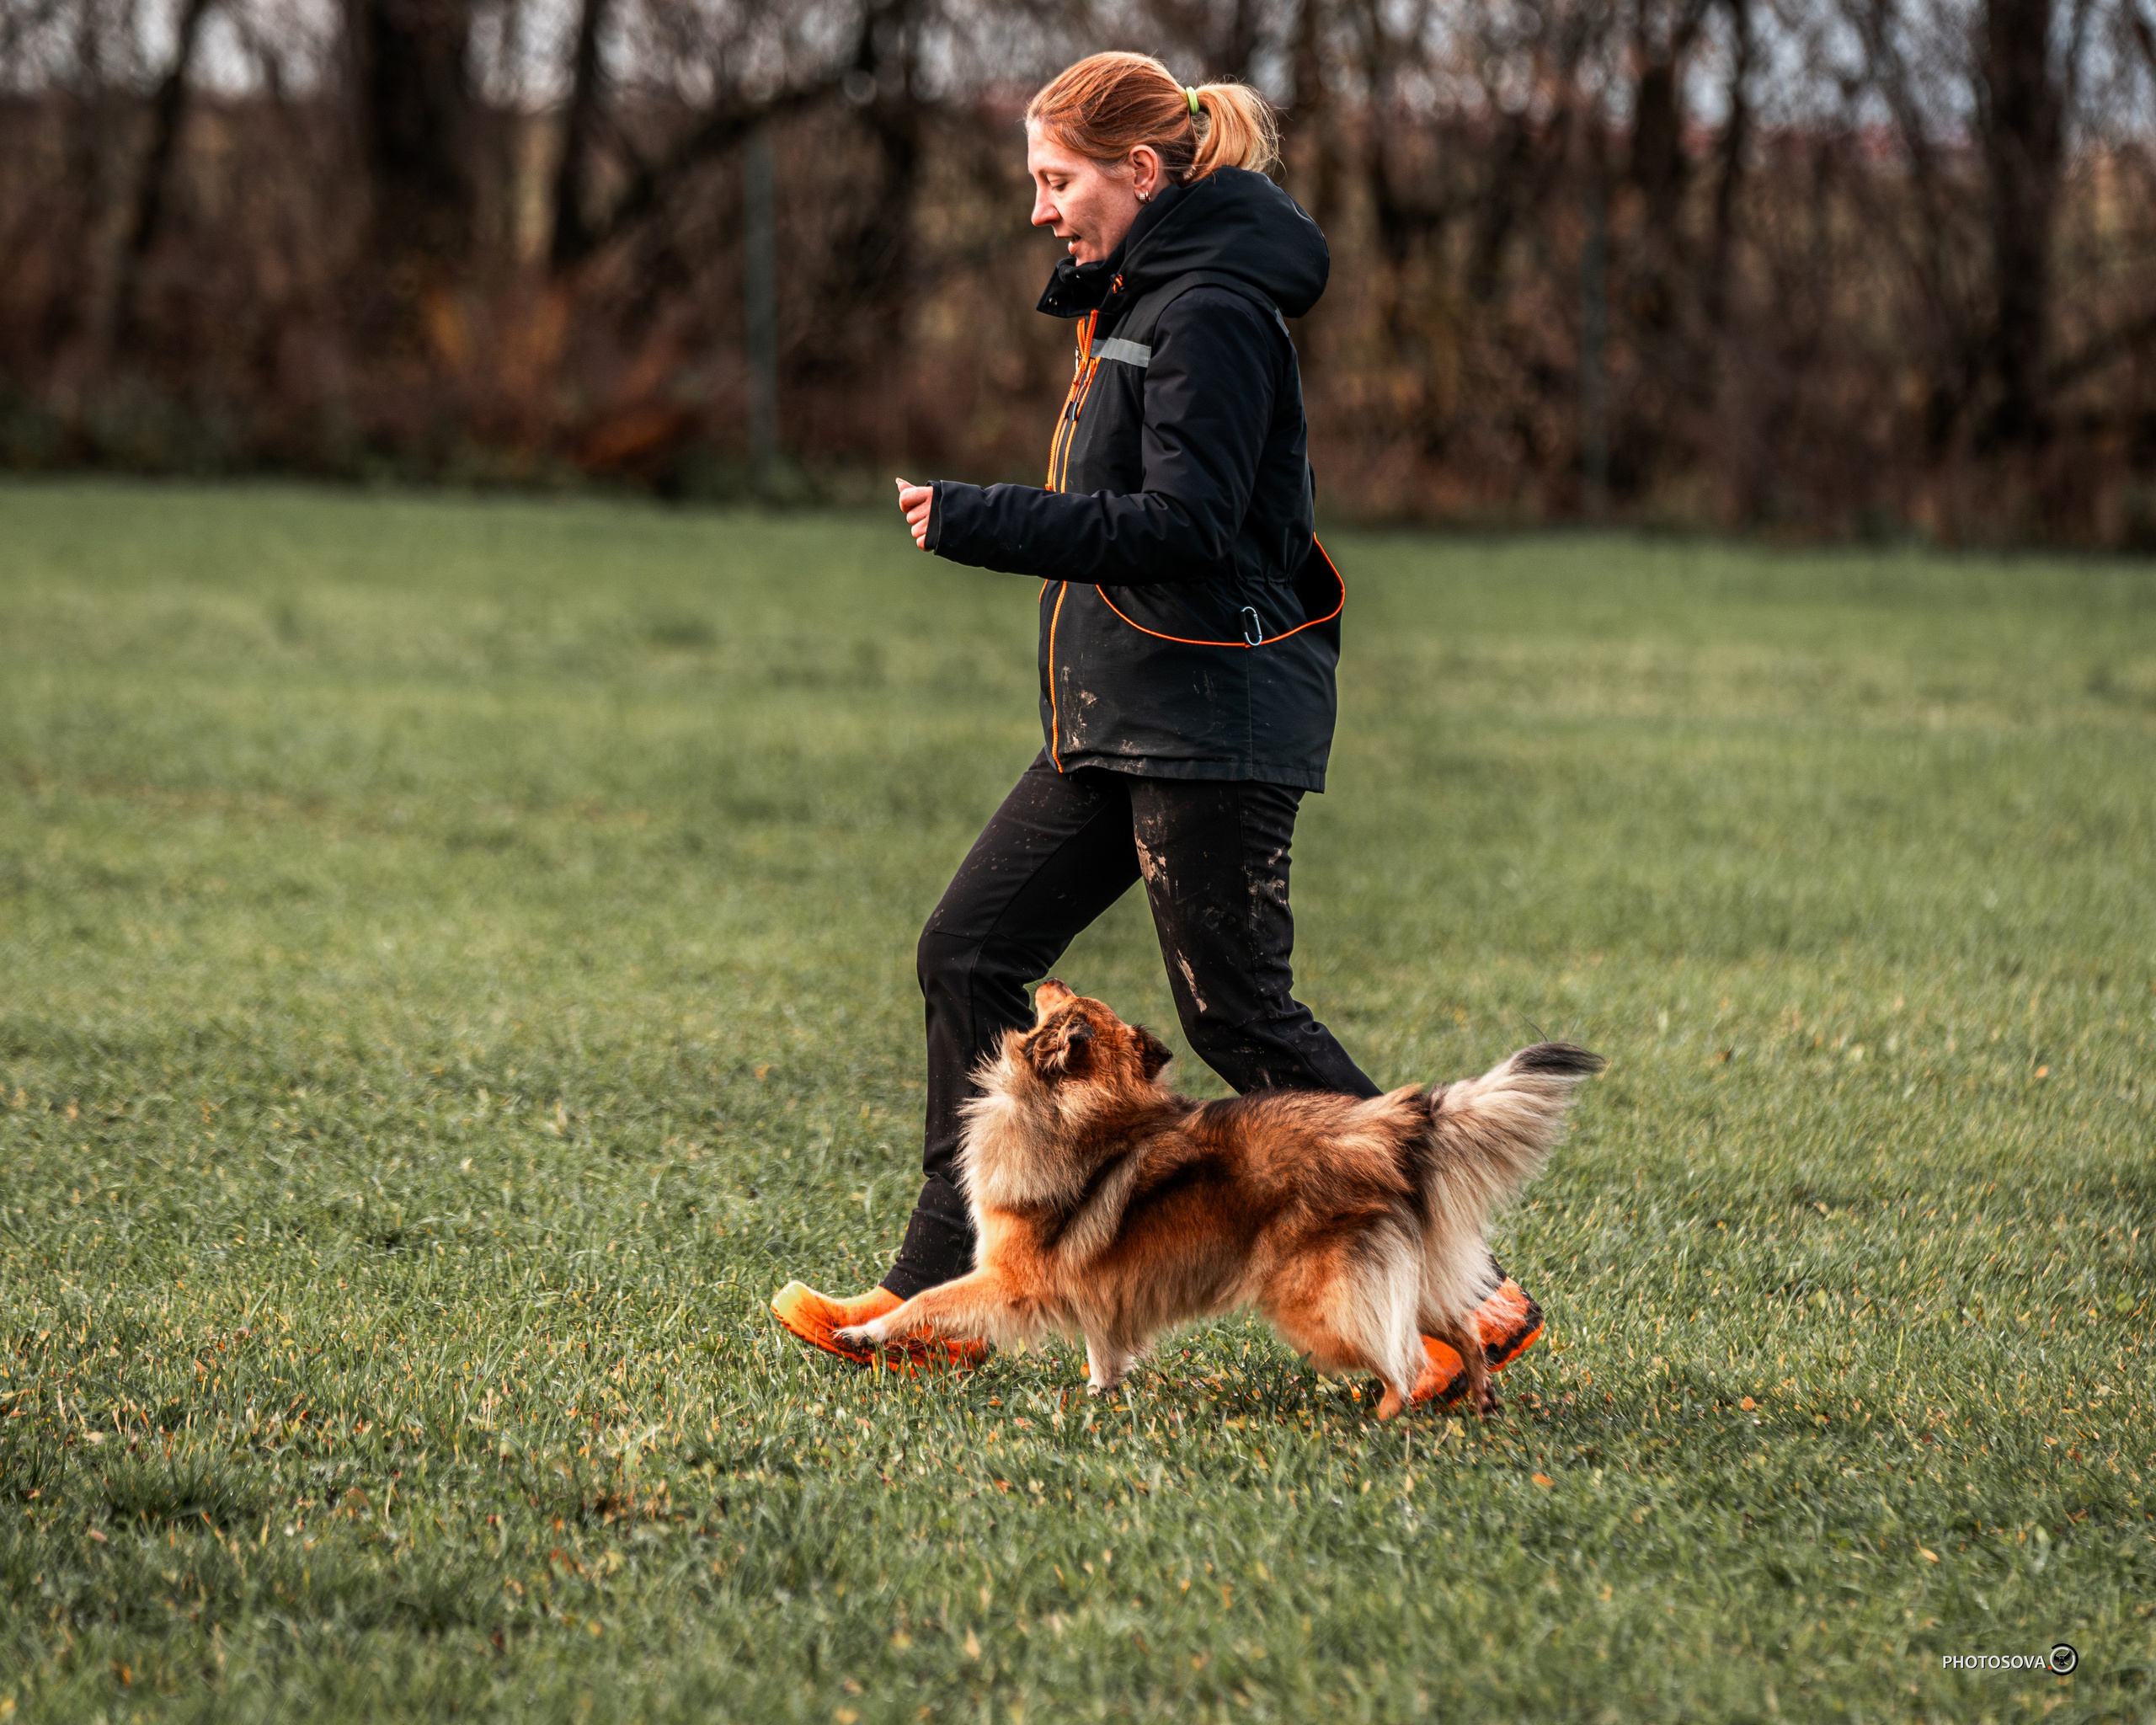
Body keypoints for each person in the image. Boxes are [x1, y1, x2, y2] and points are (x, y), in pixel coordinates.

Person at [772, 51, 1544, 1403]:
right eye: (1033, 183)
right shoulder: (1137, 302)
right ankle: (942, 1293)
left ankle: (1464, 1296)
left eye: (1057, 180)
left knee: (1238, 1013)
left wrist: (983, 517)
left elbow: (1186, 527)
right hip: (1121, 711)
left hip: (1209, 709)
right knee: (968, 950)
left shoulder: (1215, 315)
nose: (1039, 210)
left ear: (1141, 173)